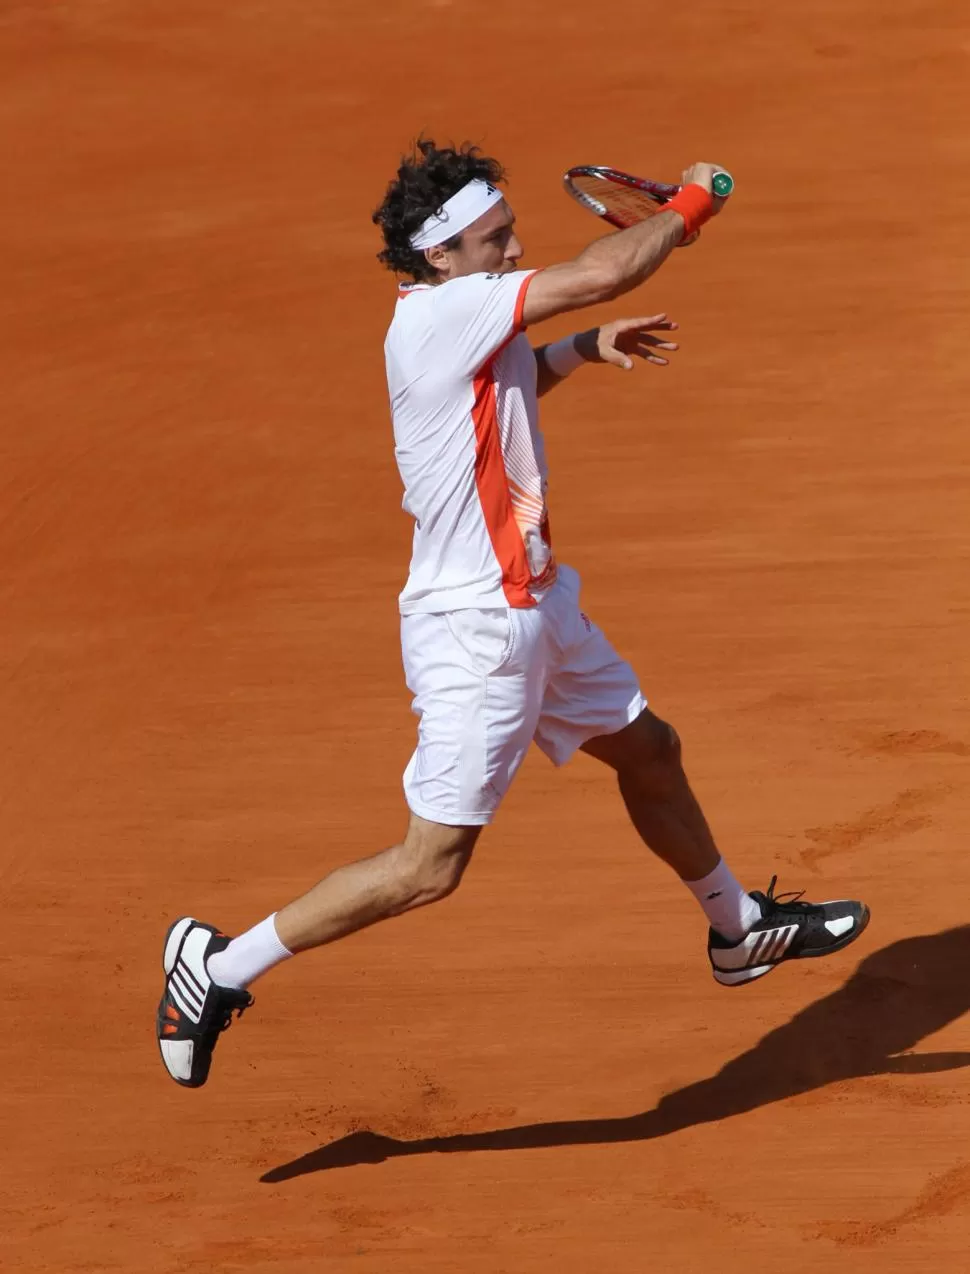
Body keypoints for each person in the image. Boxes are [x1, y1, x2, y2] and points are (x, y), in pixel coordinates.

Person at [156, 140, 869, 1089]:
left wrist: (581, 348)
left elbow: (507, 385)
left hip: (536, 604)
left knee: (650, 749)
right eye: (494, 240)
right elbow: (608, 267)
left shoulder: (458, 316)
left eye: (510, 233)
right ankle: (215, 970)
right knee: (429, 867)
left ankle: (738, 931)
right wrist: (696, 204)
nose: (513, 247)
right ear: (440, 257)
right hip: (479, 632)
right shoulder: (445, 312)